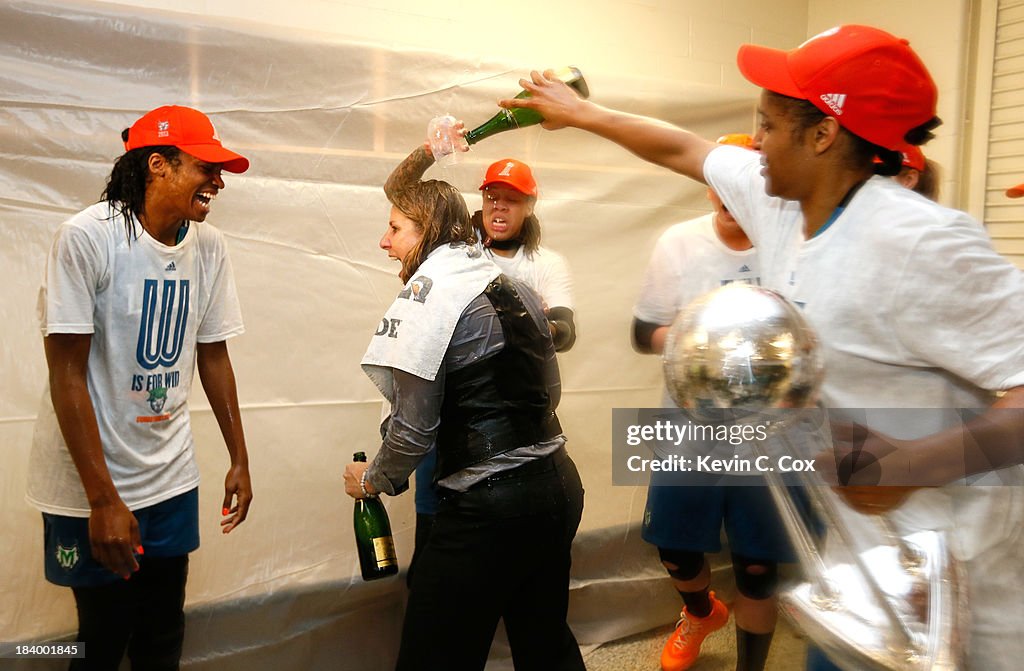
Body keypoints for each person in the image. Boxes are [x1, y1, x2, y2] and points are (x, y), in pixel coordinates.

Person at [500, 25, 1024, 670]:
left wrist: (917, 461)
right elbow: (682, 148)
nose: (755, 146)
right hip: (865, 574)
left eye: (767, 125)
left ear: (823, 134)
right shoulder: (784, 201)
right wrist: (581, 113)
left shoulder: (923, 244)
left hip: (958, 588)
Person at [27, 105, 254, 670]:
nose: (218, 182)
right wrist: (102, 500)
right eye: (207, 168)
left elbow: (214, 353)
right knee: (101, 639)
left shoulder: (209, 247)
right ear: (159, 165)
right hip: (91, 484)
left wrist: (239, 458)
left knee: (162, 633)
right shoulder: (86, 238)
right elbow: (67, 372)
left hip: (170, 476)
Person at [343, 147, 586, 670]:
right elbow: (549, 393)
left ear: (425, 230)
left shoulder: (427, 297)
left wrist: (371, 481)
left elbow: (412, 431)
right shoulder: (514, 286)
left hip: (490, 510)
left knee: (433, 658)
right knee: (544, 644)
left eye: (395, 229)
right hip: (558, 489)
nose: (384, 242)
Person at [635, 134, 795, 671]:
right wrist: (696, 338)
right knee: (676, 550)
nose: (729, 196)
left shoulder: (791, 246)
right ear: (709, 186)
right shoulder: (678, 242)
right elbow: (642, 332)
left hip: (769, 433)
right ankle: (701, 613)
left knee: (757, 569)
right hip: (690, 424)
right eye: (720, 183)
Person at [406, 151, 578, 583]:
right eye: (492, 197)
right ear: (480, 201)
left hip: (512, 420)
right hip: (446, 409)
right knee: (432, 532)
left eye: (512, 200)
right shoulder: (455, 253)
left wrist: (532, 325)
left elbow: (565, 331)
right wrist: (429, 151)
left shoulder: (547, 264)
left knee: (510, 534)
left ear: (530, 206)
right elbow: (404, 194)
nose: (500, 207)